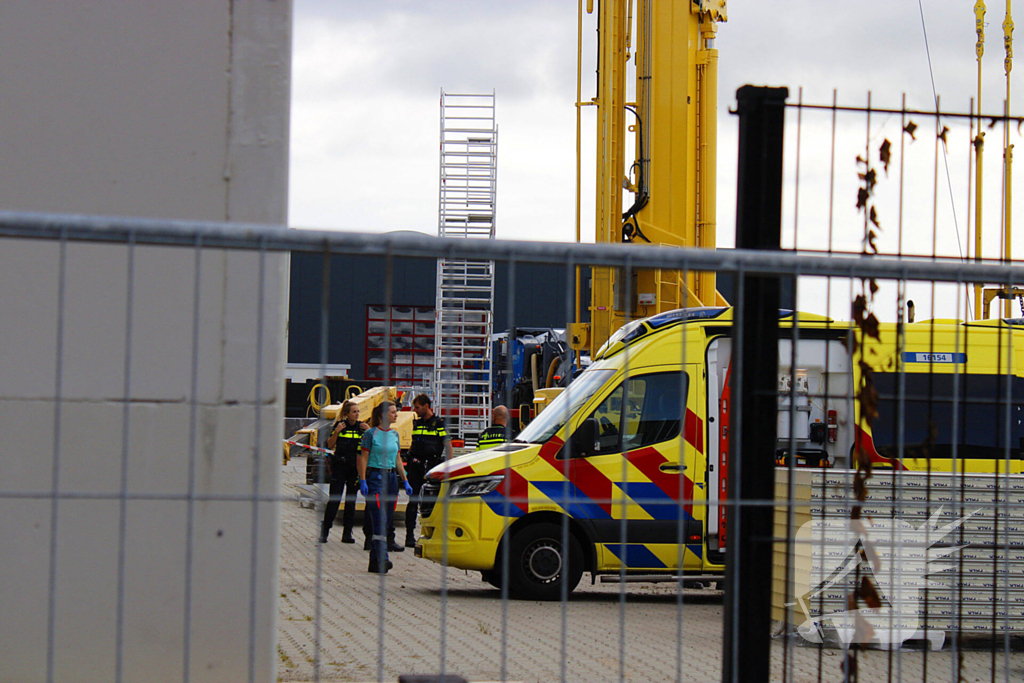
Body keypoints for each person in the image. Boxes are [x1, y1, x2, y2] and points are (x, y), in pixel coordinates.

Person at [358, 401, 413, 574]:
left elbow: (397, 459)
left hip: (391, 479)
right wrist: (363, 479)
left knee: (386, 519)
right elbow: (363, 458)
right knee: (379, 518)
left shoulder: (395, 435)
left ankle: (374, 562)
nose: (396, 415)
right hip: (376, 477)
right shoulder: (370, 434)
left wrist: (405, 480)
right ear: (383, 414)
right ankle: (383, 558)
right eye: (393, 412)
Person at [404, 394, 452, 547]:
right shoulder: (416, 424)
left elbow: (448, 446)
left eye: (417, 407)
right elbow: (413, 444)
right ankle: (409, 535)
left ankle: (430, 535)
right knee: (412, 502)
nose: (415, 410)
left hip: (431, 468)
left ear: (426, 406)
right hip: (416, 467)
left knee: (431, 503)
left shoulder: (439, 424)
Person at [319, 400, 366, 543]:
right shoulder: (340, 426)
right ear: (347, 414)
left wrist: (369, 429)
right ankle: (325, 531)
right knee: (334, 500)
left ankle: (347, 534)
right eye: (354, 412)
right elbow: (330, 444)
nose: (357, 414)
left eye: (358, 411)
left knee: (351, 501)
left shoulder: (362, 427)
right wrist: (337, 432)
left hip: (354, 468)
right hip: (340, 467)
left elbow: (371, 444)